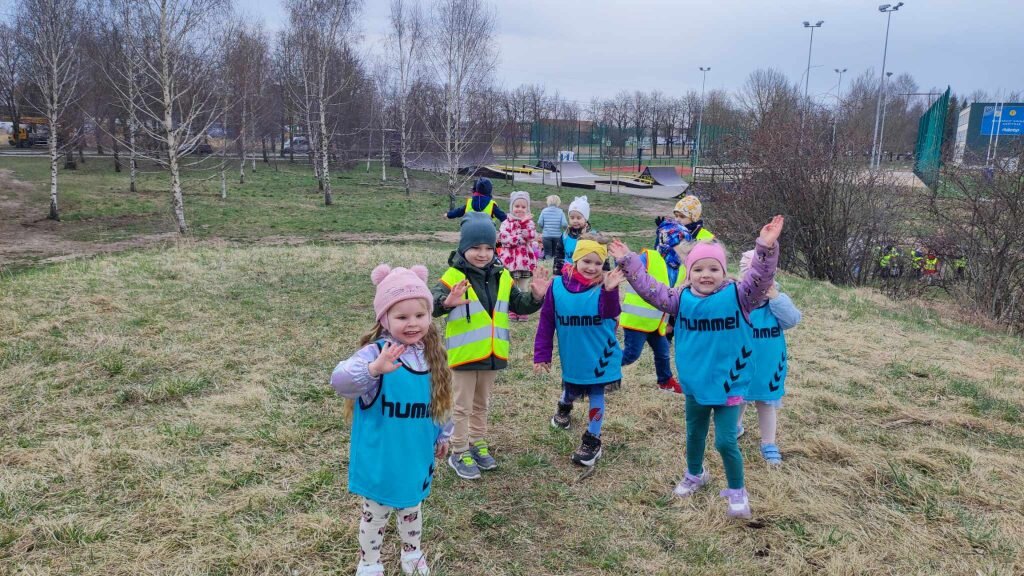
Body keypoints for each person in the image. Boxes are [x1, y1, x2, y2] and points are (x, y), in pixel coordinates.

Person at [609, 215, 785, 520]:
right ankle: (694, 474)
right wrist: (628, 261)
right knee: (694, 434)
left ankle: (737, 491)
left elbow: (760, 277)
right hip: (694, 383)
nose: (706, 275)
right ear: (689, 273)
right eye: (699, 269)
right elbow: (650, 289)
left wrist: (765, 248)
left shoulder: (740, 296)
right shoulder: (680, 299)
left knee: (725, 441)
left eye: (714, 269)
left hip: (730, 384)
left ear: (724, 272)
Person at [330, 264, 453, 576]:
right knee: (375, 514)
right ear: (384, 318)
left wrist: (443, 434)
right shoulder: (375, 353)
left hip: (415, 454)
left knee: (412, 507)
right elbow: (340, 381)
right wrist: (373, 369)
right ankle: (369, 562)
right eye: (402, 317)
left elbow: (442, 400)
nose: (412, 323)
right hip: (381, 458)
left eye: (420, 315)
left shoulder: (433, 355)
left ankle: (412, 554)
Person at [432, 213, 551, 480]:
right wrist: (446, 302)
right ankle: (458, 450)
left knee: (481, 403)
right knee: (462, 406)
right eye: (475, 247)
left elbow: (518, 304)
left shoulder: (503, 276)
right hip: (464, 355)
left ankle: (477, 442)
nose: (483, 253)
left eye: (488, 247)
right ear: (463, 247)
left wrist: (535, 297)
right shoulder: (454, 275)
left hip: (493, 354)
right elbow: (432, 303)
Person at [534, 235, 625, 466]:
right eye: (587, 261)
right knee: (572, 385)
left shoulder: (605, 286)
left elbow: (610, 312)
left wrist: (610, 291)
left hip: (599, 353)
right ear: (575, 260)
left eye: (598, 263)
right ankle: (564, 405)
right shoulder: (556, 286)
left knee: (596, 392)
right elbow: (547, 321)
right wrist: (542, 354)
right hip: (573, 352)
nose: (592, 267)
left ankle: (592, 439)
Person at [736, 250, 802, 466]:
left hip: (769, 365)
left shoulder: (776, 302)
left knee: (766, 403)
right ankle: (734, 428)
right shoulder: (736, 299)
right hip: (741, 363)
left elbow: (792, 320)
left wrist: (776, 298)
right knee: (739, 398)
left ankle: (768, 442)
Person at [619, 219, 686, 394]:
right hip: (638, 320)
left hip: (658, 322)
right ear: (668, 242)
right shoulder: (648, 257)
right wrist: (623, 258)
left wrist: (671, 322)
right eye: (682, 244)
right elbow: (630, 268)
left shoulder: (682, 268)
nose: (686, 248)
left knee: (663, 352)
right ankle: (601, 369)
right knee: (630, 355)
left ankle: (665, 381)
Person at [498, 191, 539, 322]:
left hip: (524, 261)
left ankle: (523, 309)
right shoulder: (506, 222)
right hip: (509, 260)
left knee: (523, 285)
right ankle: (512, 309)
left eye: (523, 207)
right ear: (512, 207)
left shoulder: (529, 223)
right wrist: (520, 238)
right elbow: (504, 239)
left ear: (527, 208)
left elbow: (533, 236)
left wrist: (525, 230)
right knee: (511, 285)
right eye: (517, 206)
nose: (520, 209)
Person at [556, 196, 592, 272]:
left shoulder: (592, 236)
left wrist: (605, 271)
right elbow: (559, 255)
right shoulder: (565, 236)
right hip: (567, 272)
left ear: (585, 219)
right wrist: (557, 271)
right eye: (572, 218)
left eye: (579, 218)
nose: (575, 221)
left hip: (586, 273)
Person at [537, 194, 568, 262]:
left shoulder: (544, 211)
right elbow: (564, 224)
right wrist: (564, 229)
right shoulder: (560, 211)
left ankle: (548, 264)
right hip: (557, 236)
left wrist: (544, 228)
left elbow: (540, 223)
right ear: (558, 202)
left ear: (548, 201)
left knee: (547, 252)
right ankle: (554, 265)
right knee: (555, 253)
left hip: (546, 236)